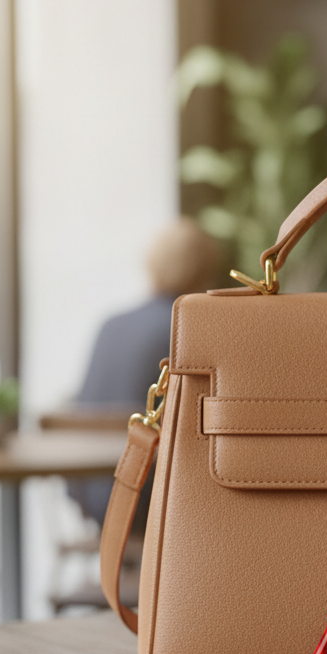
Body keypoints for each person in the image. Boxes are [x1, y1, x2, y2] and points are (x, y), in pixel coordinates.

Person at [69, 219, 221, 524]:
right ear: (205, 269)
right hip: (150, 498)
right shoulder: (188, 331)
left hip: (93, 492)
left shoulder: (110, 325)